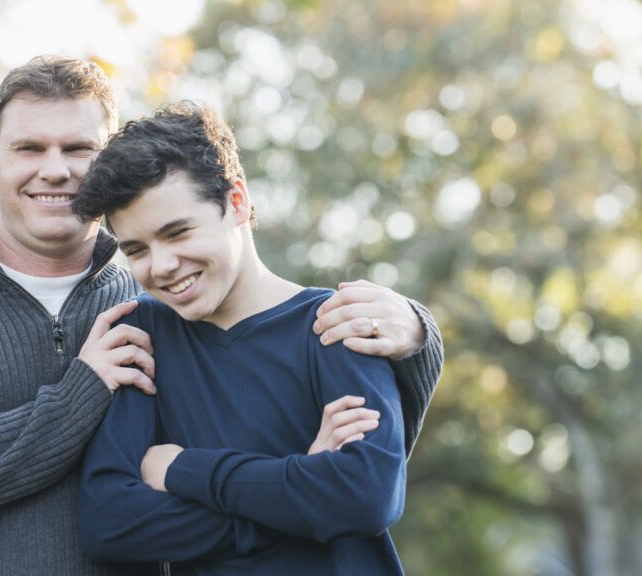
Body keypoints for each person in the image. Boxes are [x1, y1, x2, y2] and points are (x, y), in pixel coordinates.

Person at [0, 56, 442, 576]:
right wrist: (77, 399)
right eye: (30, 148)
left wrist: (418, 333)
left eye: (78, 149)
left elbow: (359, 468)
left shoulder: (162, 304)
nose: (55, 169)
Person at [73, 101, 414, 575]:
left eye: (178, 232)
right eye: (137, 249)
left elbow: (364, 497)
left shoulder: (337, 323)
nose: (162, 265)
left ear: (236, 202)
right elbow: (110, 523)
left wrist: (181, 469)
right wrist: (296, 492)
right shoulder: (142, 337)